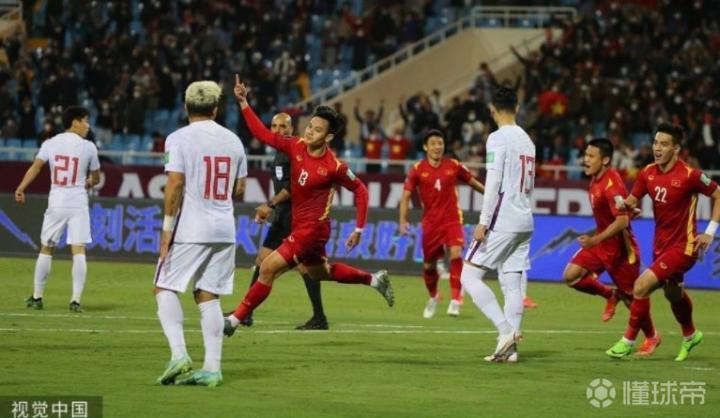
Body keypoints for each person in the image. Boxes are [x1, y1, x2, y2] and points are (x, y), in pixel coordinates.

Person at [224, 75, 394, 336]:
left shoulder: (334, 167)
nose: (310, 131)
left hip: (312, 230)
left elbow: (361, 190)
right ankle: (374, 280)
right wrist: (244, 103)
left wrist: (359, 228)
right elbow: (262, 134)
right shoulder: (296, 146)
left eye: (317, 129)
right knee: (319, 273)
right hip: (304, 227)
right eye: (310, 126)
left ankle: (234, 321)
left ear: (329, 136)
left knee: (266, 267)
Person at [153, 81, 247, 387]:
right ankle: (212, 369)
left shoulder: (177, 138)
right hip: (225, 228)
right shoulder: (234, 140)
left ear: (185, 107)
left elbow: (175, 184)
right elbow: (240, 188)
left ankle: (179, 354)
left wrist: (166, 230)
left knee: (164, 287)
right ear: (216, 109)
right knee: (208, 295)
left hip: (192, 227)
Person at [607, 123, 720, 361]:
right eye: (656, 143)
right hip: (660, 246)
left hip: (685, 246)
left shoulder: (690, 175)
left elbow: (718, 194)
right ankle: (691, 335)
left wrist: (710, 231)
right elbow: (630, 202)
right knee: (673, 293)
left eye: (664, 144)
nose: (657, 148)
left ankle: (628, 341)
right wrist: (626, 207)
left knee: (640, 286)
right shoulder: (647, 172)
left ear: (676, 149)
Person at [459, 87, 535, 363]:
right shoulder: (528, 140)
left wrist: (484, 221)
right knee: (512, 283)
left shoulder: (497, 138)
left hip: (503, 220)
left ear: (492, 109)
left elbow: (493, 181)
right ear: (517, 108)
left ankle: (506, 332)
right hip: (525, 219)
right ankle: (510, 352)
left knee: (468, 276)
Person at [564, 138, 659, 354]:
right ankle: (610, 294)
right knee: (571, 276)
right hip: (601, 244)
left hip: (621, 250)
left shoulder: (611, 184)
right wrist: (628, 210)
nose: (586, 160)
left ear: (605, 160)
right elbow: (620, 210)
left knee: (632, 299)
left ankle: (652, 336)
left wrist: (595, 240)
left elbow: (622, 222)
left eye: (591, 156)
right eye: (586, 155)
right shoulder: (596, 179)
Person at [241, 112, 330, 330]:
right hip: (284, 214)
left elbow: (293, 187)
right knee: (263, 260)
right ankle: (246, 313)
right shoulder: (281, 152)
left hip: (295, 215)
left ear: (292, 129)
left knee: (304, 267)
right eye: (274, 126)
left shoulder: (294, 152)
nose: (278, 131)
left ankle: (319, 317)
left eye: (283, 126)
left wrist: (269, 205)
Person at [15, 106, 100, 312]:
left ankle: (37, 297)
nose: (88, 126)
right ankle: (75, 300)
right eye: (85, 121)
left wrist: (21, 188)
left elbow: (36, 167)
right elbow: (96, 178)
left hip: (57, 202)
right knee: (78, 250)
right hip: (78, 202)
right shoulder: (89, 147)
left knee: (47, 248)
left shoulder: (50, 143)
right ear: (75, 122)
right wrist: (88, 182)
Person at [399, 129, 485, 318]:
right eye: (433, 144)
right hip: (431, 224)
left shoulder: (453, 165)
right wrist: (403, 221)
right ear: (425, 147)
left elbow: (473, 183)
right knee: (429, 266)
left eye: (440, 143)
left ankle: (455, 299)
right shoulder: (417, 169)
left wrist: (490, 194)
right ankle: (433, 296)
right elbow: (405, 196)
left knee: (456, 254)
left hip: (452, 219)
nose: (437, 147)